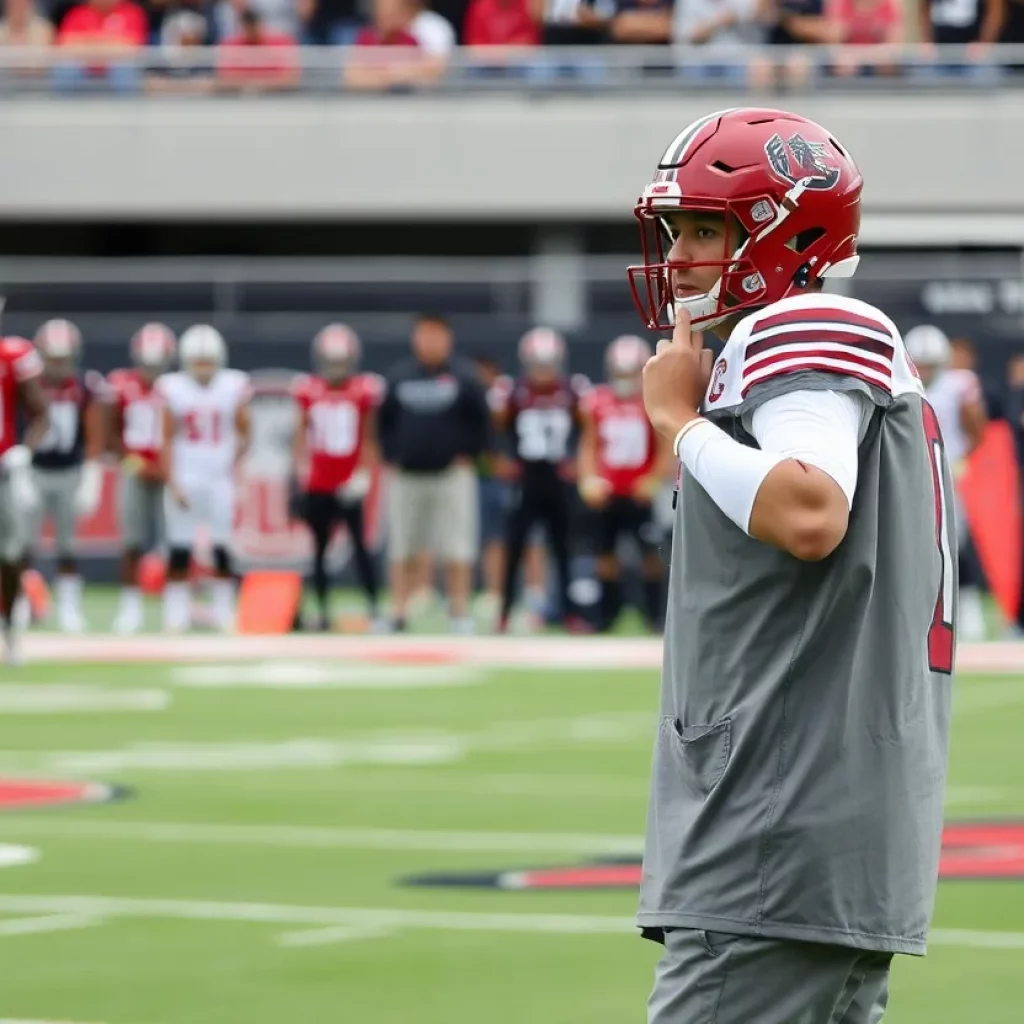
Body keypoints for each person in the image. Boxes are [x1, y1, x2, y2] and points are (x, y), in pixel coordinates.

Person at [632, 107, 956, 1023]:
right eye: (677, 230)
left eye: (706, 229)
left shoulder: (805, 322)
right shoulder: (804, 342)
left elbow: (811, 510)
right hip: (809, 825)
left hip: (775, 829)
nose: (681, 256)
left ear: (790, 237)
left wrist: (680, 424)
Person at [378, 313, 489, 633]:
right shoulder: (400, 377)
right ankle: (398, 612)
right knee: (403, 547)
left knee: (457, 546)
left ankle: (458, 613)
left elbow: (481, 422)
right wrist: (392, 456)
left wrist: (469, 456)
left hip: (450, 475)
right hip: (407, 475)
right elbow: (384, 423)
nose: (430, 342)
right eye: (424, 335)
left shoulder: (464, 377)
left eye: (436, 336)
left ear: (448, 339)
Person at [489, 327, 587, 633]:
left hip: (558, 479)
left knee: (563, 549)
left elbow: (587, 431)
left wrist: (578, 461)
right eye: (538, 363)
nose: (543, 370)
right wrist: (500, 460)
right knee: (515, 547)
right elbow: (496, 431)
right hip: (526, 479)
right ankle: (503, 614)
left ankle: (570, 614)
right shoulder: (513, 392)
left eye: (548, 362)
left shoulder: (572, 391)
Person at [158, 325, 251, 633]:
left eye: (208, 361)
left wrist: (232, 466)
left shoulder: (232, 385)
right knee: (180, 547)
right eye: (198, 361)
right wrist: (172, 480)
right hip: (186, 475)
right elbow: (167, 438)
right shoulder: (173, 388)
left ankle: (224, 611)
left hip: (218, 477)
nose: (203, 368)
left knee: (222, 546)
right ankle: (175, 613)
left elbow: (244, 432)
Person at [291, 324, 383, 631]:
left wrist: (363, 474)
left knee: (361, 548)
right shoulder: (308, 390)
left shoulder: (362, 390)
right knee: (318, 551)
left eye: (340, 361)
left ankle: (374, 609)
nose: (335, 368)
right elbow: (300, 435)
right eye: (331, 361)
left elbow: (370, 439)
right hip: (319, 482)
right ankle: (322, 611)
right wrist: (299, 474)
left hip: (349, 483)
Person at [577, 334, 670, 632]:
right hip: (608, 491)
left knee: (650, 555)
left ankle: (655, 615)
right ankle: (606, 616)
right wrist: (588, 478)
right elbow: (589, 445)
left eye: (630, 373)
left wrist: (653, 479)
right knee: (604, 556)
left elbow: (666, 447)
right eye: (620, 373)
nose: (625, 379)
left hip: (640, 492)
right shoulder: (596, 401)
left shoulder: (653, 402)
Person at [905, 324, 988, 641]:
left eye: (930, 364)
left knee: (955, 542)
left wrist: (962, 456)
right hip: (912, 473)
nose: (924, 370)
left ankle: (967, 609)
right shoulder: (902, 383)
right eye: (920, 363)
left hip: (947, 470)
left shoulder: (959, 384)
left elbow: (977, 427)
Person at [27, 319, 106, 634]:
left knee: (68, 546)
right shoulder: (28, 381)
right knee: (21, 545)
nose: (58, 365)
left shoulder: (85, 384)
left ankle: (69, 610)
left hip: (70, 470)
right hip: (32, 469)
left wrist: (92, 471)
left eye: (63, 357)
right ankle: (20, 604)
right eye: (53, 357)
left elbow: (93, 428)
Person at [107, 322, 178, 635]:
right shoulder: (121, 384)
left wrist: (170, 469)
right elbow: (108, 428)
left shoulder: (176, 387)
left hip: (169, 473)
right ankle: (130, 609)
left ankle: (175, 610)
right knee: (132, 542)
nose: (152, 368)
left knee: (174, 543)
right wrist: (127, 459)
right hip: (135, 469)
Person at [0, 334, 49, 663]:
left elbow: (42, 414)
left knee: (9, 553)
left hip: (2, 469)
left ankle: (9, 630)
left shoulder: (12, 354)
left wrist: (23, 454)